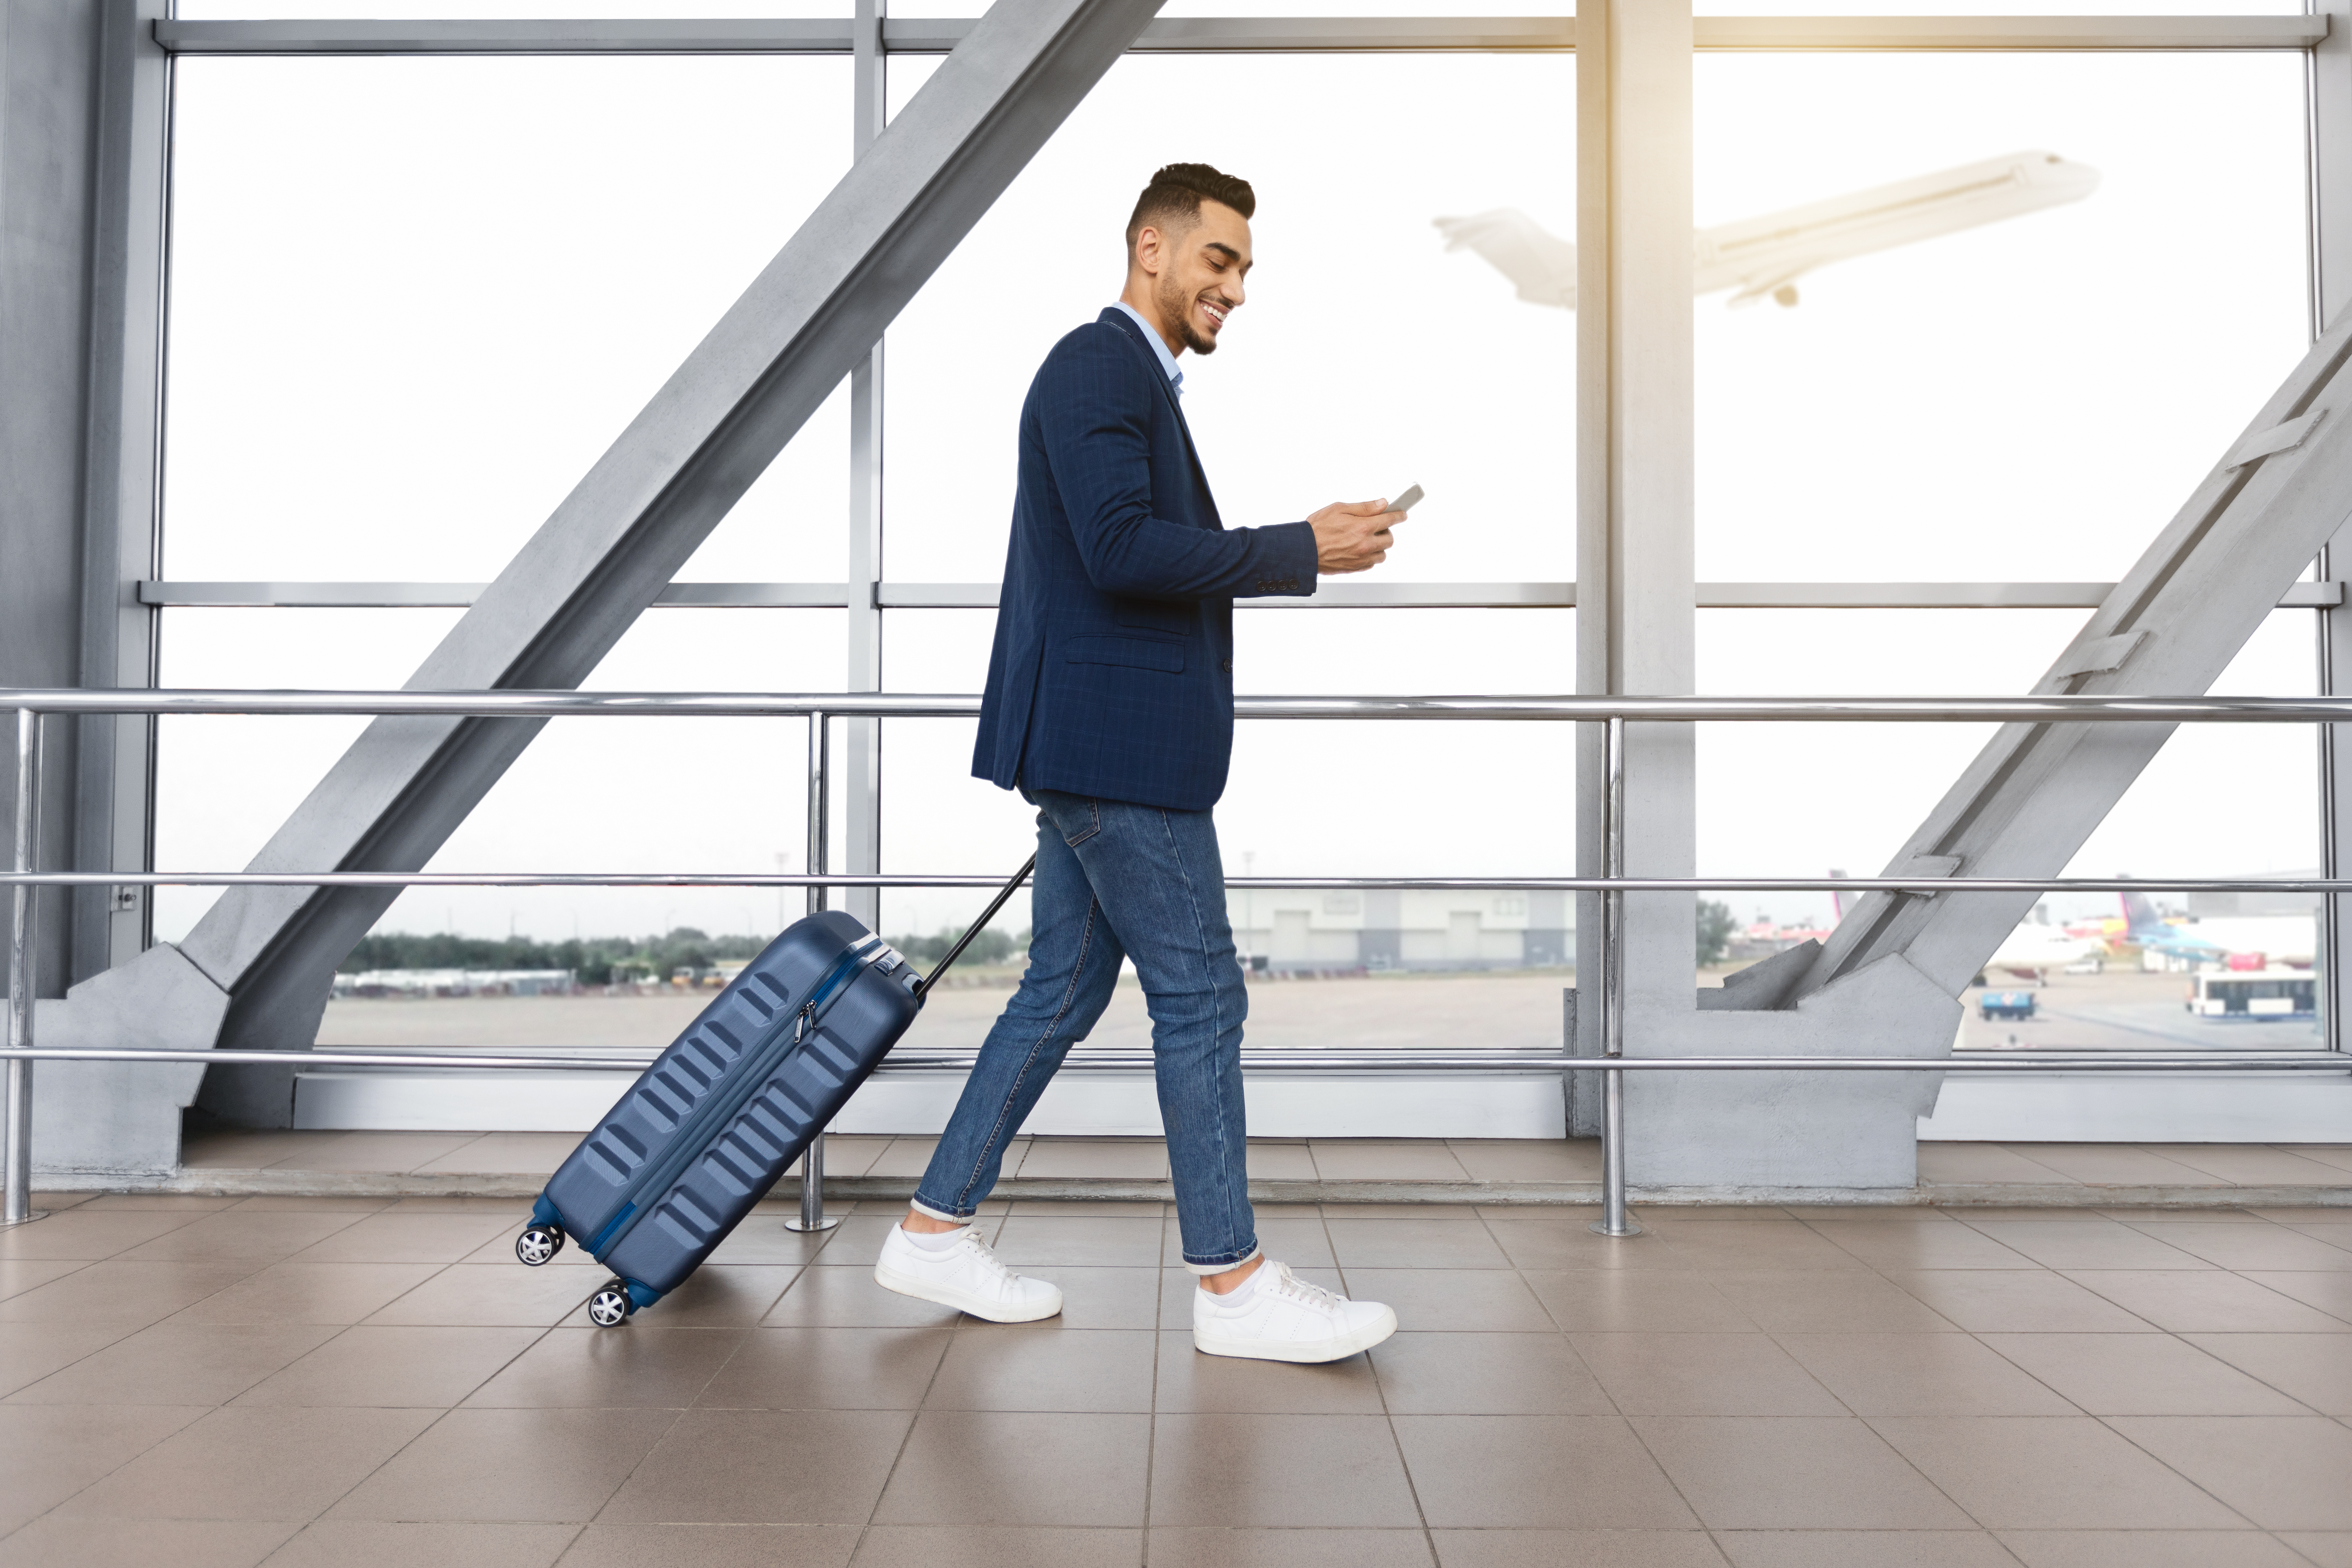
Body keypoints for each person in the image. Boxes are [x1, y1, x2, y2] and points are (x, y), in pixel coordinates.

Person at [871, 162, 1404, 1363]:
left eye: (1246, 270)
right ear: (1150, 248)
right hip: (1115, 754)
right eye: (1218, 261)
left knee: (1058, 995)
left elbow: (1132, 544)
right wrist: (1294, 548)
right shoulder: (1097, 364)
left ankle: (932, 1230)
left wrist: (1297, 542)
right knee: (1202, 999)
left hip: (1096, 745)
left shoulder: (1133, 382)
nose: (1236, 288)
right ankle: (1233, 1288)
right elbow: (1117, 549)